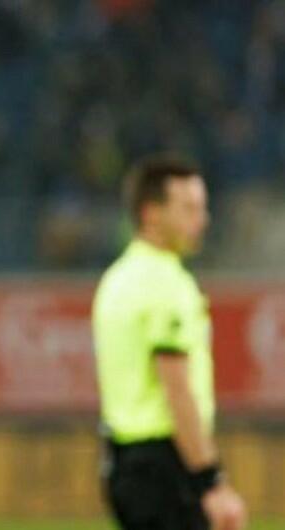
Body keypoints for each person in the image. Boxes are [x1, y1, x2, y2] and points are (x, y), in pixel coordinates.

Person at [93, 155, 246, 530]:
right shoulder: (166, 284)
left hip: (122, 461)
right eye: (189, 208)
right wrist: (210, 481)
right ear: (151, 213)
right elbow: (176, 388)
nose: (202, 220)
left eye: (202, 207)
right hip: (165, 466)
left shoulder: (116, 279)